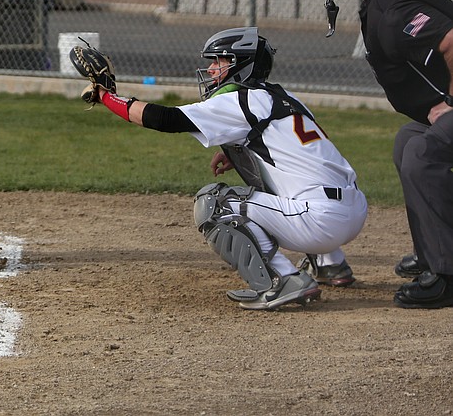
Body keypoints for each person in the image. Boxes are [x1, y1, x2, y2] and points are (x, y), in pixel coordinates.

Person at [82, 27, 367, 310]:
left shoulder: (239, 101)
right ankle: (331, 264)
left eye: (220, 61)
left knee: (215, 204)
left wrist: (107, 96)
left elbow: (165, 118)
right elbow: (292, 152)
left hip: (319, 221)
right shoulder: (283, 96)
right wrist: (238, 153)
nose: (211, 68)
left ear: (240, 65)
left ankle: (284, 279)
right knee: (284, 185)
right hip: (353, 210)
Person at [310, 0, 453, 309]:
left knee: (425, 154)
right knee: (409, 142)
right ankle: (436, 252)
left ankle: (446, 277)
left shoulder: (394, 4)